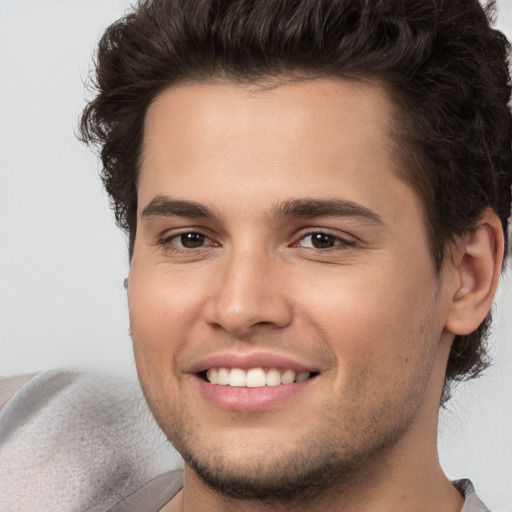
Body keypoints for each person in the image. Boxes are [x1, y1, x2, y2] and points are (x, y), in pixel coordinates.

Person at [77, 0, 511, 510]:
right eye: (189, 239)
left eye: (320, 240)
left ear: (469, 274)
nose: (238, 308)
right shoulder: (34, 452)